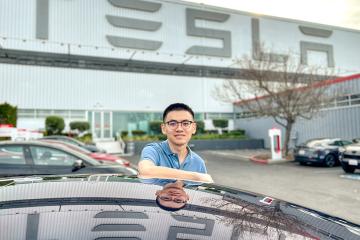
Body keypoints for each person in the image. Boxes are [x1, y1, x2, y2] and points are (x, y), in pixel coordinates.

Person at [138, 103, 213, 186]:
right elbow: (145, 170)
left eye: (185, 123)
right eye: (173, 123)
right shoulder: (153, 150)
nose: (179, 129)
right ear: (163, 128)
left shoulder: (198, 162)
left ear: (194, 128)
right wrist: (195, 176)